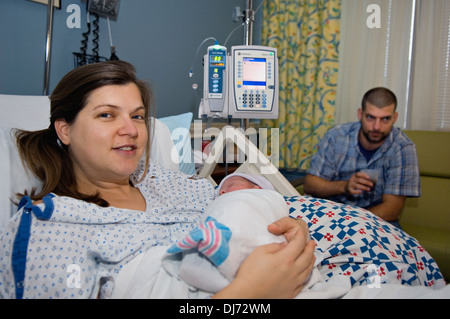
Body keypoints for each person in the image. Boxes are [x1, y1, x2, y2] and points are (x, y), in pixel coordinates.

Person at [0, 60, 315, 299]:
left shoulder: (163, 180)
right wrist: (251, 294)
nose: (131, 130)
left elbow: (237, 210)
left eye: (137, 116)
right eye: (107, 115)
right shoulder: (48, 227)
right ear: (64, 129)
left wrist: (281, 226)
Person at [162, 172, 320, 296]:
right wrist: (249, 288)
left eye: (231, 184)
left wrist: (301, 226)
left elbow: (257, 214)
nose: (222, 191)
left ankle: (218, 246)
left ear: (257, 189)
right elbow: (225, 213)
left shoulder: (264, 198)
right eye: (220, 190)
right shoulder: (216, 201)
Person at [303, 87, 420, 228]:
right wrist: (344, 186)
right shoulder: (336, 136)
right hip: (333, 214)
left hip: (378, 221)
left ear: (395, 118)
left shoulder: (402, 148)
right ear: (360, 114)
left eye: (385, 119)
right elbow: (310, 184)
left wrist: (350, 223)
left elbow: (392, 209)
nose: (377, 127)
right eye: (371, 117)